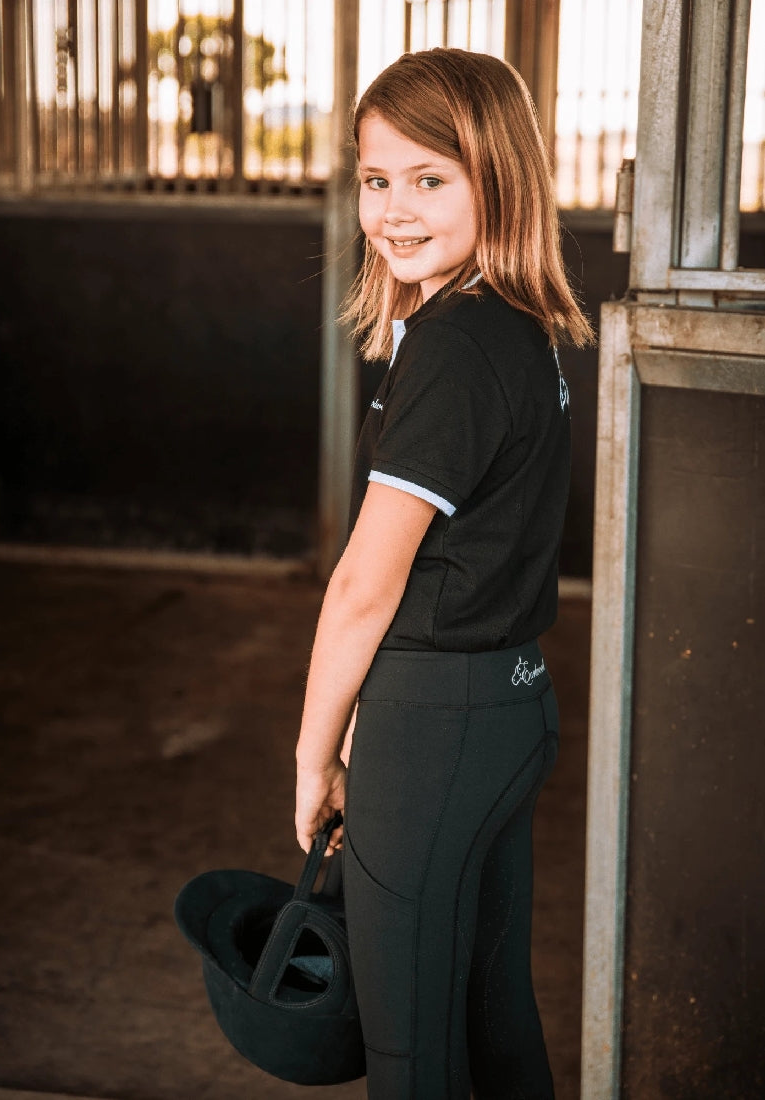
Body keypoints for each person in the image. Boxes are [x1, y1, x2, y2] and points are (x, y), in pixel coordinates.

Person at [294, 47, 593, 1099]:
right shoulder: (519, 329)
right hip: (509, 703)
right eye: (378, 180)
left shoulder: (459, 346)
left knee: (413, 1048)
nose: (393, 210)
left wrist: (313, 753)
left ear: (497, 177)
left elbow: (363, 586)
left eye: (431, 178)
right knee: (491, 1015)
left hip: (438, 728)